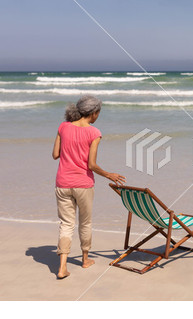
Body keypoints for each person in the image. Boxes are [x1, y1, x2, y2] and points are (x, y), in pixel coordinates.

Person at [52, 95, 126, 279]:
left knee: (66, 224)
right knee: (85, 223)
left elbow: (55, 154)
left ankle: (62, 268)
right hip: (83, 184)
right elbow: (91, 165)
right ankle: (85, 260)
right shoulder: (94, 133)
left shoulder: (63, 127)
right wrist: (109, 174)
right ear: (94, 113)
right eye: (98, 112)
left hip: (62, 183)